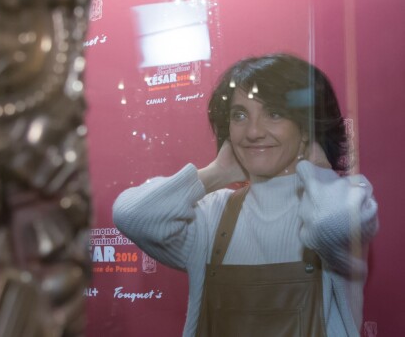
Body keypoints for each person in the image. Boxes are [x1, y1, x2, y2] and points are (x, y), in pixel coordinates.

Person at [113, 53, 378, 337]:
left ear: (304, 127)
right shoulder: (211, 214)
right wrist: (215, 174)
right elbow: (132, 215)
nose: (252, 132)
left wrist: (316, 170)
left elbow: (331, 225)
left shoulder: (345, 199)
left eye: (274, 114)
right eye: (240, 115)